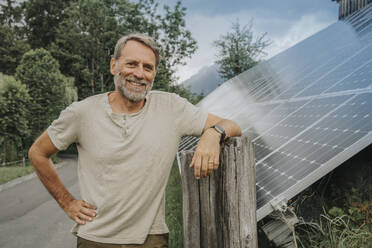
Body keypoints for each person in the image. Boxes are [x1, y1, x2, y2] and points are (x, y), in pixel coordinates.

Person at [28, 33, 242, 247]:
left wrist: (213, 135)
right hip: (95, 239)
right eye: (132, 64)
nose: (139, 74)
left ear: (154, 73)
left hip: (151, 240)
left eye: (148, 67)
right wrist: (67, 202)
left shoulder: (172, 108)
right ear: (114, 65)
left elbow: (233, 125)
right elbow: (38, 152)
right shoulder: (82, 113)